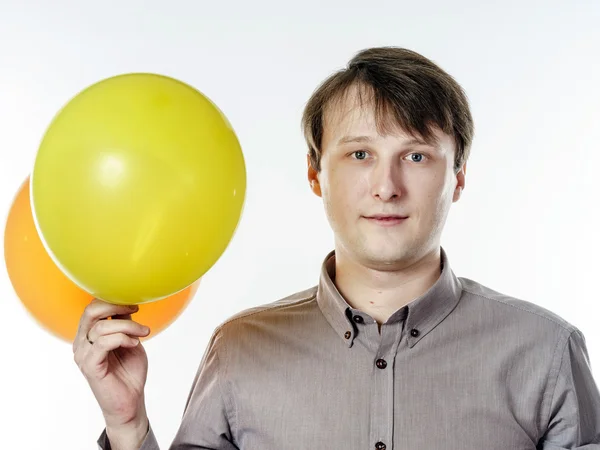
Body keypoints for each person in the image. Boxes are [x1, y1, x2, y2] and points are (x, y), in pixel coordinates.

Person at [74, 47, 600, 450]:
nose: (386, 186)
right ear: (314, 173)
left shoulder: (546, 353)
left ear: (458, 177)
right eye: (359, 153)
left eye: (416, 156)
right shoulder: (238, 350)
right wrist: (128, 424)